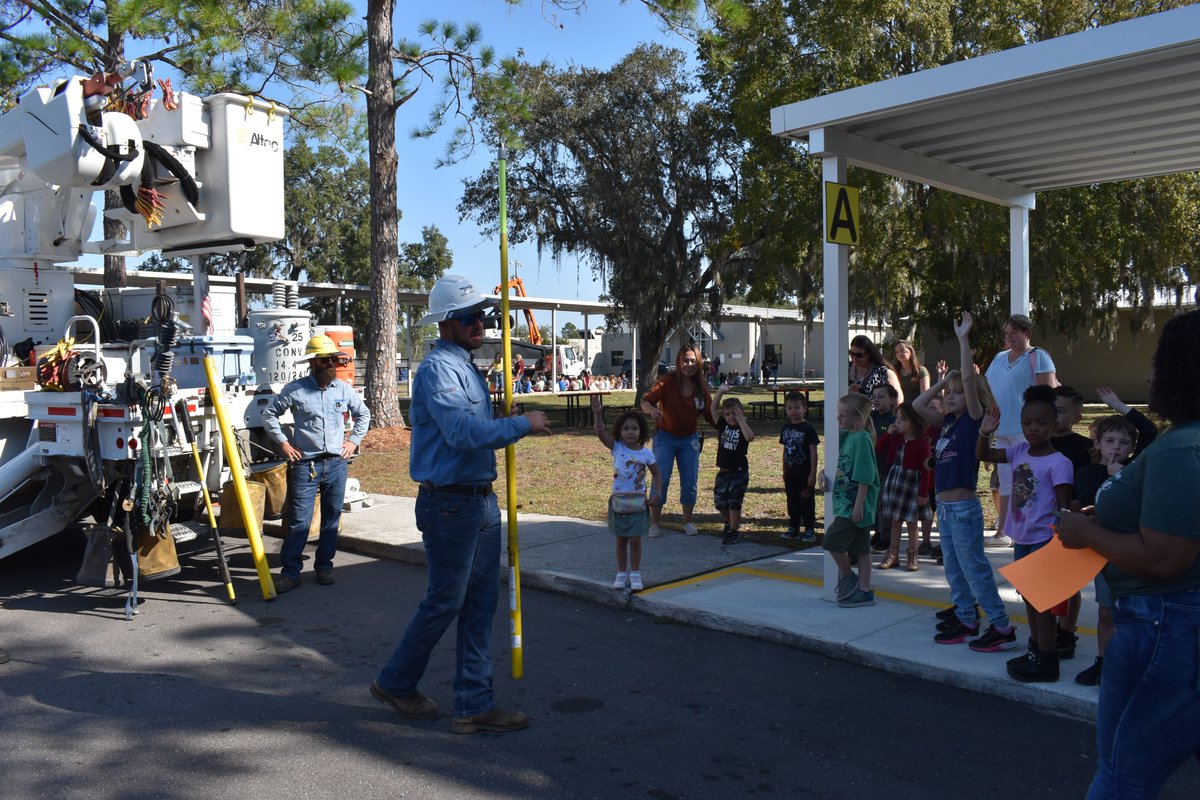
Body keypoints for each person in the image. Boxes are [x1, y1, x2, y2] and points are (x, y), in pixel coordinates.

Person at [371, 274, 551, 735]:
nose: (480, 323)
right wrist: (522, 425)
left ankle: (472, 704)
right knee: (446, 601)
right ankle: (396, 681)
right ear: (446, 324)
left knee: (478, 605)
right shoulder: (438, 370)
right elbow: (464, 434)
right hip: (450, 505)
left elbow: (474, 429)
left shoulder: (466, 366)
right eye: (469, 317)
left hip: (479, 502)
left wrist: (505, 421)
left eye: (483, 315)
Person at [1057, 309, 1200, 798]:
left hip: (1162, 626)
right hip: (1182, 626)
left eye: (1159, 363)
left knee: (1123, 775)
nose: (1148, 374)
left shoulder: (1182, 449)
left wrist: (1088, 534)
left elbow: (1165, 557)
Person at [913, 312, 1018, 653]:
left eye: (960, 392)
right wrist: (945, 383)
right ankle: (966, 618)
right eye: (951, 393)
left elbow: (971, 385)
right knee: (955, 570)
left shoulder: (973, 421)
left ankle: (1001, 626)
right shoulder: (946, 424)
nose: (954, 396)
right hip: (944, 506)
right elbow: (917, 403)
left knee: (974, 569)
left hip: (963, 508)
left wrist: (962, 342)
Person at [977, 384, 1074, 681]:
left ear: (1055, 423)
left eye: (1042, 423)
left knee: (1041, 601)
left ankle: (1047, 660)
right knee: (1029, 599)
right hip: (1022, 536)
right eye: (1028, 423)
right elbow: (984, 455)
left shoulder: (1060, 463)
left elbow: (1063, 507)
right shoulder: (1019, 450)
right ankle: (1036, 649)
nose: (1034, 428)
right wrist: (984, 431)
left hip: (1044, 539)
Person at [261, 334, 370, 594]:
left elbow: (363, 413)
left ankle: (325, 566)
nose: (332, 363)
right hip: (305, 466)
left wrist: (353, 441)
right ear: (314, 363)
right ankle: (290, 573)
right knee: (299, 521)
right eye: (326, 360)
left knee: (332, 519)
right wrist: (284, 444)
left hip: (336, 463)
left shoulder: (342, 389)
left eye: (333, 358)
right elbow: (270, 415)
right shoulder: (296, 390)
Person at [983, 313, 1058, 547]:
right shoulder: (998, 357)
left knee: (1026, 480)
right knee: (1005, 479)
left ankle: (1026, 530)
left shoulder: (1039, 356)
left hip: (1026, 430)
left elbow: (1050, 393)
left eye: (1013, 333)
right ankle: (1004, 530)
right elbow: (987, 389)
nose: (1009, 338)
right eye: (1006, 334)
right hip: (1000, 428)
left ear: (1026, 333)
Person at [640, 345, 717, 538]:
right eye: (685, 360)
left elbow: (710, 415)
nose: (688, 364)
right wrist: (652, 410)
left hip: (689, 440)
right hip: (665, 438)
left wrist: (731, 424)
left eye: (692, 361)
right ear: (678, 362)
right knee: (661, 479)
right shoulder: (667, 381)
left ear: (698, 363)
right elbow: (645, 401)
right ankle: (655, 523)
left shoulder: (701, 387)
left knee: (690, 482)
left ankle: (687, 522)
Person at [591, 396, 660, 592]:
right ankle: (621, 574)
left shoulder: (646, 453)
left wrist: (657, 493)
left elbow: (656, 473)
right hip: (619, 502)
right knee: (620, 539)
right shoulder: (617, 448)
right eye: (626, 428)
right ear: (620, 431)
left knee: (635, 540)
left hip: (639, 503)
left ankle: (635, 573)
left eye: (634, 428)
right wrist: (597, 415)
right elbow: (600, 432)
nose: (630, 432)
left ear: (641, 431)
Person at [819, 392, 879, 608]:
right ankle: (864, 591)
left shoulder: (862, 439)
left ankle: (848, 577)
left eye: (843, 415)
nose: (838, 419)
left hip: (853, 506)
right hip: (848, 504)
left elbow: (866, 475)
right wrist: (822, 473)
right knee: (862, 549)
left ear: (858, 419)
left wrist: (859, 504)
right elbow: (838, 462)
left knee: (832, 542)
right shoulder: (847, 436)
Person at [874, 403, 932, 572]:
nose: (897, 422)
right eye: (897, 418)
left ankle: (912, 554)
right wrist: (888, 433)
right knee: (895, 520)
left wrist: (923, 493)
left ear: (914, 422)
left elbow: (926, 469)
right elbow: (878, 448)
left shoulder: (921, 443)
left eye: (902, 419)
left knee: (912, 522)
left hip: (911, 483)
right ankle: (892, 554)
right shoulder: (896, 438)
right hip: (895, 481)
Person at [710, 388, 755, 545]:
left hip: (739, 472)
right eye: (728, 414)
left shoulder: (742, 427)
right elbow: (712, 408)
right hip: (723, 471)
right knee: (720, 502)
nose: (731, 417)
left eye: (735, 413)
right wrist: (721, 392)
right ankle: (731, 523)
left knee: (734, 502)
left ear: (741, 412)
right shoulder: (722, 425)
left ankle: (734, 530)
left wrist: (741, 420)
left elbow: (750, 437)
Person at [779, 391, 820, 543]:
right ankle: (794, 527)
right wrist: (784, 470)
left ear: (805, 409)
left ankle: (809, 529)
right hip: (790, 473)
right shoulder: (785, 428)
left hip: (804, 472)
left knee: (806, 501)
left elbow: (813, 451)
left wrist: (812, 473)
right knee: (792, 501)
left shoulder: (808, 428)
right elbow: (785, 450)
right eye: (790, 408)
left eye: (797, 407)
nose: (793, 411)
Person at [848, 335, 904, 404]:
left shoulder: (883, 372)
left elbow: (898, 399)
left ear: (870, 354)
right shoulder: (845, 369)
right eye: (851, 353)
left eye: (859, 355)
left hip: (875, 413)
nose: (854, 358)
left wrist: (890, 414)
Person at [893, 340, 930, 404]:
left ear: (910, 351)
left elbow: (925, 396)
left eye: (902, 350)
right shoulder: (893, 371)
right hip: (898, 408)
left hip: (916, 407)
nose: (900, 354)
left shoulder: (921, 370)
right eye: (897, 352)